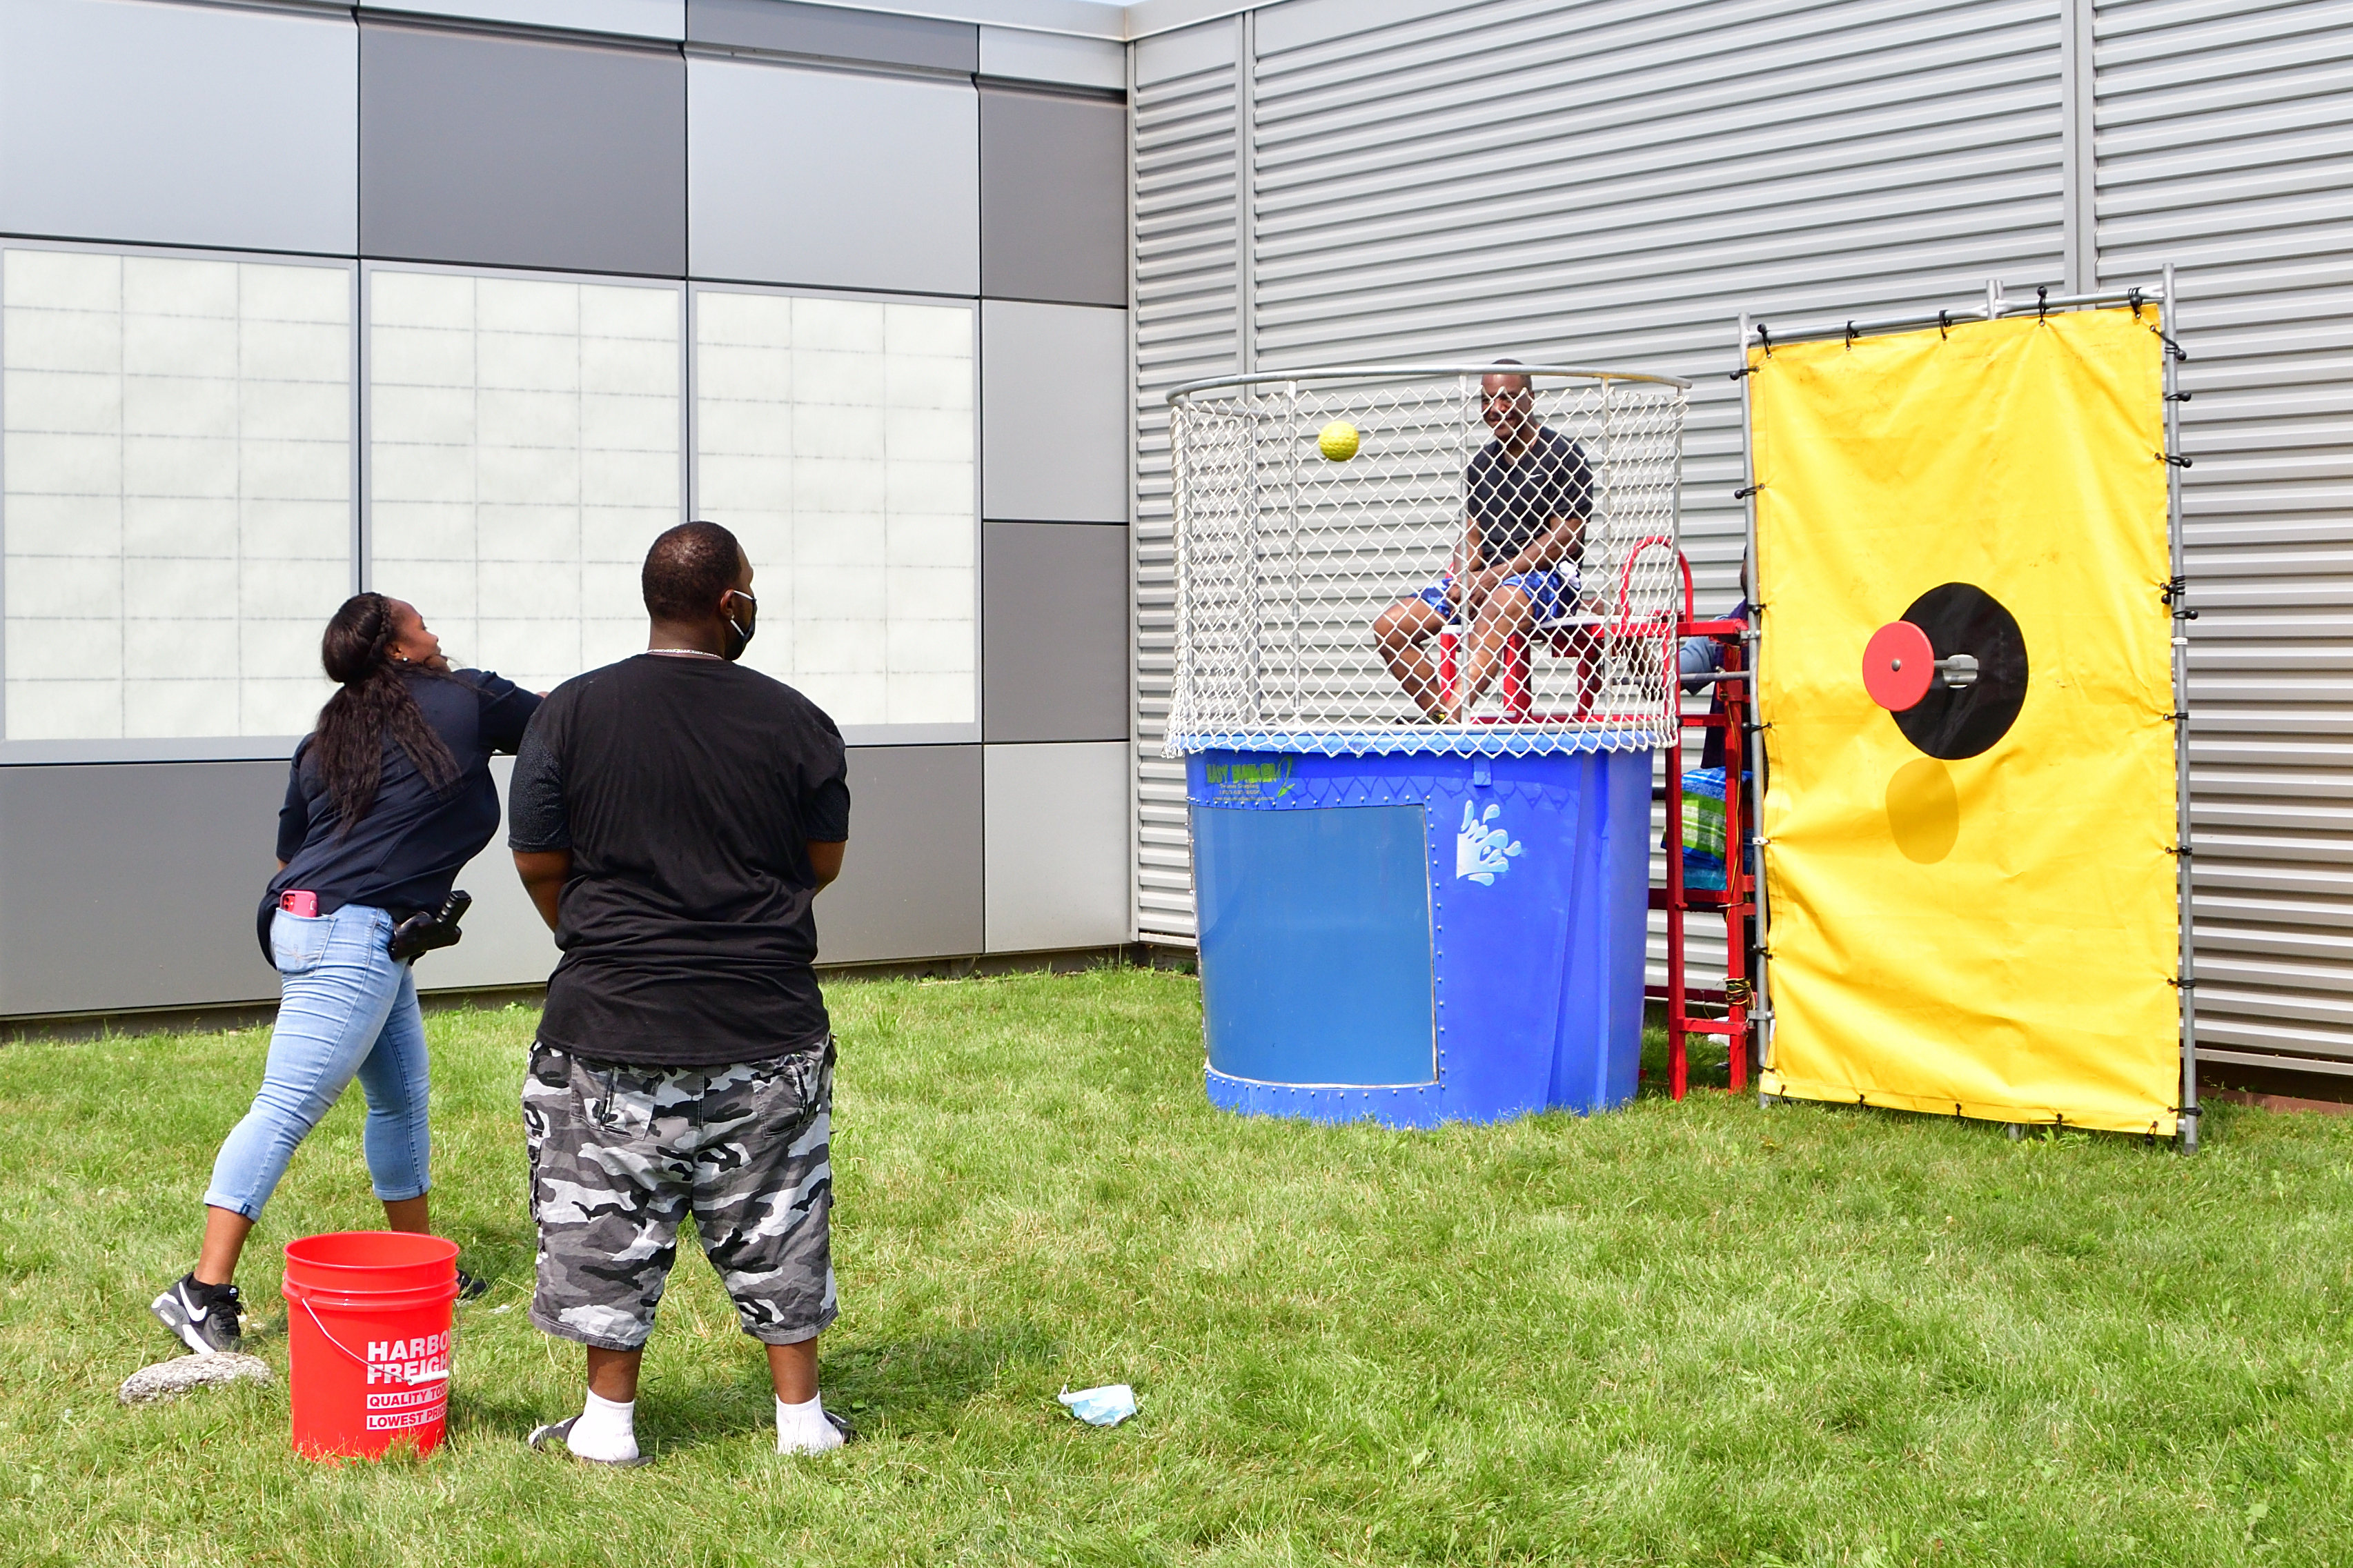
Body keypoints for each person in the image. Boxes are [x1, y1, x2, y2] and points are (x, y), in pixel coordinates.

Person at [511, 520, 852, 1467]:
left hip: (604, 1019)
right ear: (727, 603)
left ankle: (607, 1431)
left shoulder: (569, 713)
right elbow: (820, 861)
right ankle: (801, 1424)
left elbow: (539, 859)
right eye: (750, 586)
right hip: (765, 1022)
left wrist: (599, 937)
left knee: (603, 1220)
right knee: (781, 1212)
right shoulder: (794, 720)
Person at [151, 595, 539, 1354]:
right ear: (396, 648)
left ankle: (424, 1266)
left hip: (326, 923)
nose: (436, 631)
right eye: (421, 623)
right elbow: (566, 721)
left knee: (399, 1100)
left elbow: (289, 857)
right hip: (350, 932)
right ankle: (200, 1290)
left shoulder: (326, 734)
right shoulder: (467, 698)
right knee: (287, 1105)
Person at [1373, 364, 1597, 720]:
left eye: (1507, 397)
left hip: (1550, 578)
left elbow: (1564, 541)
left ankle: (1457, 714)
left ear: (1531, 399)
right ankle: (1443, 716)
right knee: (1390, 628)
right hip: (1487, 580)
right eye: (1487, 399)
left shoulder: (1563, 455)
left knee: (1497, 606)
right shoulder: (1481, 464)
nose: (1495, 408)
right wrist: (1464, 579)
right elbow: (1473, 536)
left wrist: (1492, 578)